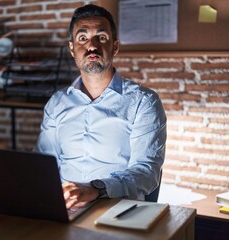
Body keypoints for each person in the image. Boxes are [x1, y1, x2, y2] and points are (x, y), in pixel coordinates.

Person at [34, 4, 167, 209]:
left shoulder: (144, 102)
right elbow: (43, 163)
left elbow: (146, 172)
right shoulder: (56, 103)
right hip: (64, 207)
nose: (91, 46)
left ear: (115, 46)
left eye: (101, 38)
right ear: (72, 49)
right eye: (82, 38)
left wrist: (96, 189)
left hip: (116, 209)